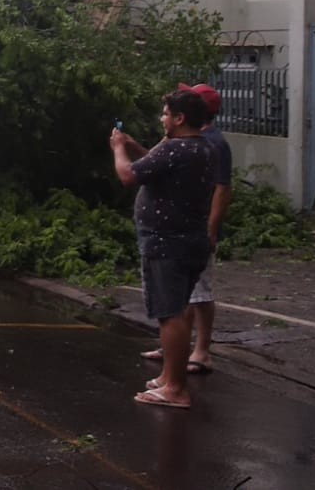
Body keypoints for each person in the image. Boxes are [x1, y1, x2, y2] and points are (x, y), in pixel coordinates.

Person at [110, 89, 215, 408]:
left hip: (167, 242)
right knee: (177, 310)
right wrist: (135, 147)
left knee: (170, 314)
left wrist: (118, 149)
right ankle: (170, 376)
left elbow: (129, 175)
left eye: (166, 114)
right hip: (191, 240)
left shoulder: (175, 148)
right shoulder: (202, 147)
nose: (162, 119)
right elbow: (157, 165)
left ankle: (176, 389)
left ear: (180, 118)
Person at [139, 83, 232, 374]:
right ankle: (175, 348)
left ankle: (200, 351)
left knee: (197, 294)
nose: (163, 117)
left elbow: (222, 189)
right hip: (180, 232)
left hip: (189, 233)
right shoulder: (183, 142)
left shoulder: (210, 144)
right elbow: (155, 165)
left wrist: (211, 229)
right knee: (182, 297)